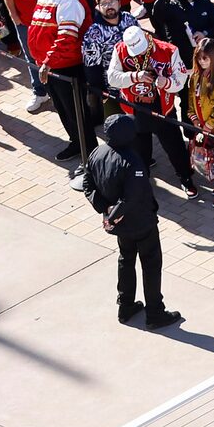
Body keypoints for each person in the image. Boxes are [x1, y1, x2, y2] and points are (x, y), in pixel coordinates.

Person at [86, 112, 181, 329]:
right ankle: (155, 312)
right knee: (150, 263)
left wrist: (105, 211)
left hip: (119, 225)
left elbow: (88, 185)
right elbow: (132, 196)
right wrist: (112, 214)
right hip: (140, 222)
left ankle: (126, 305)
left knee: (126, 259)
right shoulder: (132, 161)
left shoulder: (96, 153)